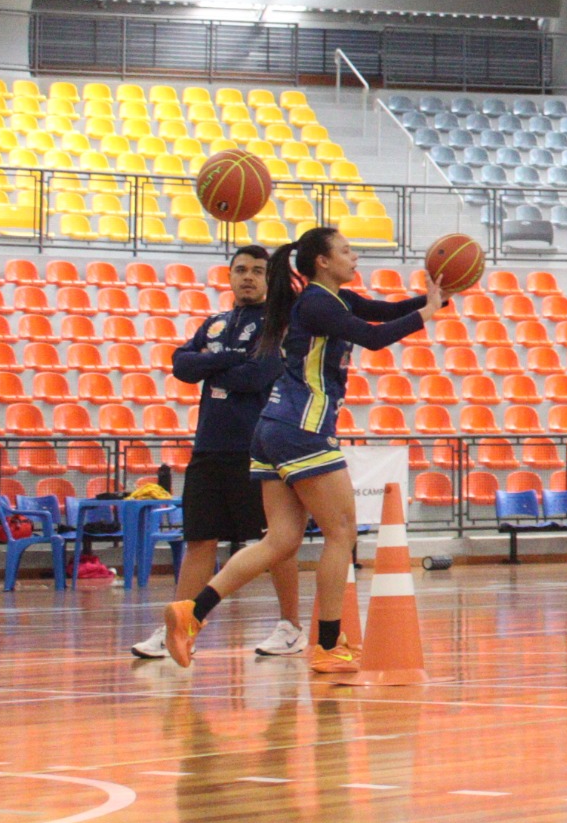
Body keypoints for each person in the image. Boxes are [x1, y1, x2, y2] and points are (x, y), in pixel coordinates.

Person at [163, 226, 444, 676]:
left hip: (271, 428)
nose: (356, 259)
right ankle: (329, 645)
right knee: (342, 531)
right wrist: (427, 315)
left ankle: (191, 613)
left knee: (280, 540)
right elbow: (371, 337)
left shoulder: (332, 300)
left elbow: (381, 311)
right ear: (322, 262)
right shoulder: (314, 302)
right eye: (347, 251)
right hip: (302, 426)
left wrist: (436, 299)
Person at [130, 246, 304, 661]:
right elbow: (181, 365)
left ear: (269, 279)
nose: (248, 277)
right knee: (199, 540)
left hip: (258, 448)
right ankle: (178, 624)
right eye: (240, 270)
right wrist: (223, 359)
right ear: (228, 277)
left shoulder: (279, 325)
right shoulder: (214, 323)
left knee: (274, 541)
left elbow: (255, 375)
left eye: (258, 271)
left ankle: (290, 626)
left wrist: (212, 363)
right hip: (209, 445)